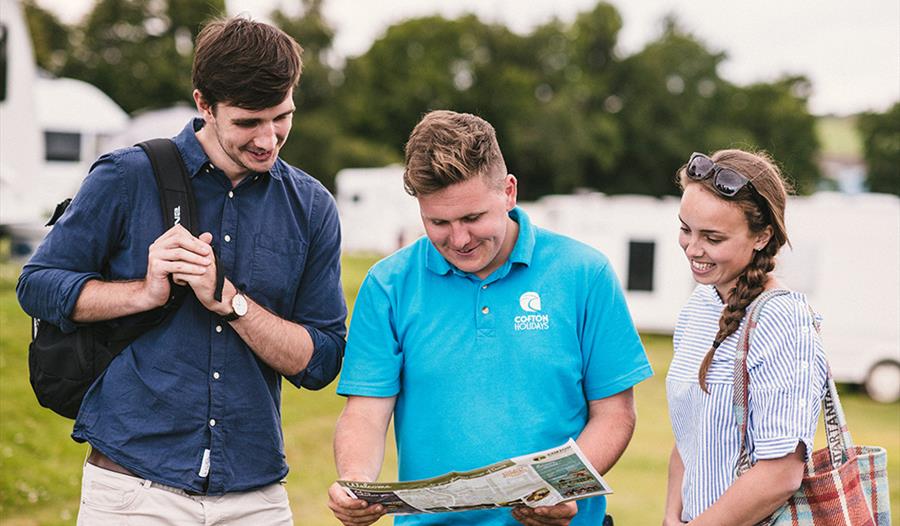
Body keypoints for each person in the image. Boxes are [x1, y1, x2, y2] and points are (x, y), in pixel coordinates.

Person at [16, 16, 347, 525]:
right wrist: (143, 293)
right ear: (203, 104)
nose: (268, 139)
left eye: (282, 117)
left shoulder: (313, 206)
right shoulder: (126, 175)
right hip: (133, 488)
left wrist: (232, 303)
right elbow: (36, 285)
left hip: (255, 493)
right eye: (247, 122)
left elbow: (321, 360)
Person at [328, 110, 653, 526]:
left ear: (509, 192)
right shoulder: (388, 284)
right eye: (438, 222)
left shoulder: (584, 273)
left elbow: (615, 413)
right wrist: (356, 481)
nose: (459, 239)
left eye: (473, 218)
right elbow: (366, 411)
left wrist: (561, 488)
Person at [663, 150, 828, 525]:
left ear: (762, 236)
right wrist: (672, 515)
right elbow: (688, 439)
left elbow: (781, 473)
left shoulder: (782, 318)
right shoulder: (698, 306)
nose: (692, 248)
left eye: (713, 237)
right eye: (685, 229)